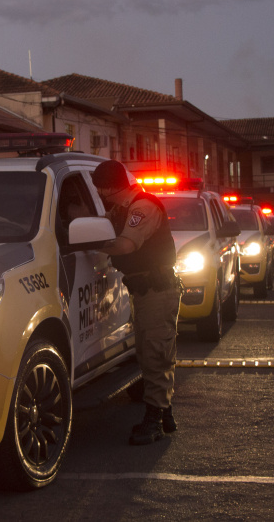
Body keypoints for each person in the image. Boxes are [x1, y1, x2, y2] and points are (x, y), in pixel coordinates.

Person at [90, 160, 181, 446]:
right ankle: (164, 412)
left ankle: (154, 421)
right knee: (149, 352)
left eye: (100, 187)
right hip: (145, 292)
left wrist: (90, 244)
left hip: (157, 290)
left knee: (156, 354)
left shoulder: (142, 208)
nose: (99, 193)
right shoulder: (121, 209)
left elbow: (126, 245)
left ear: (106, 188)